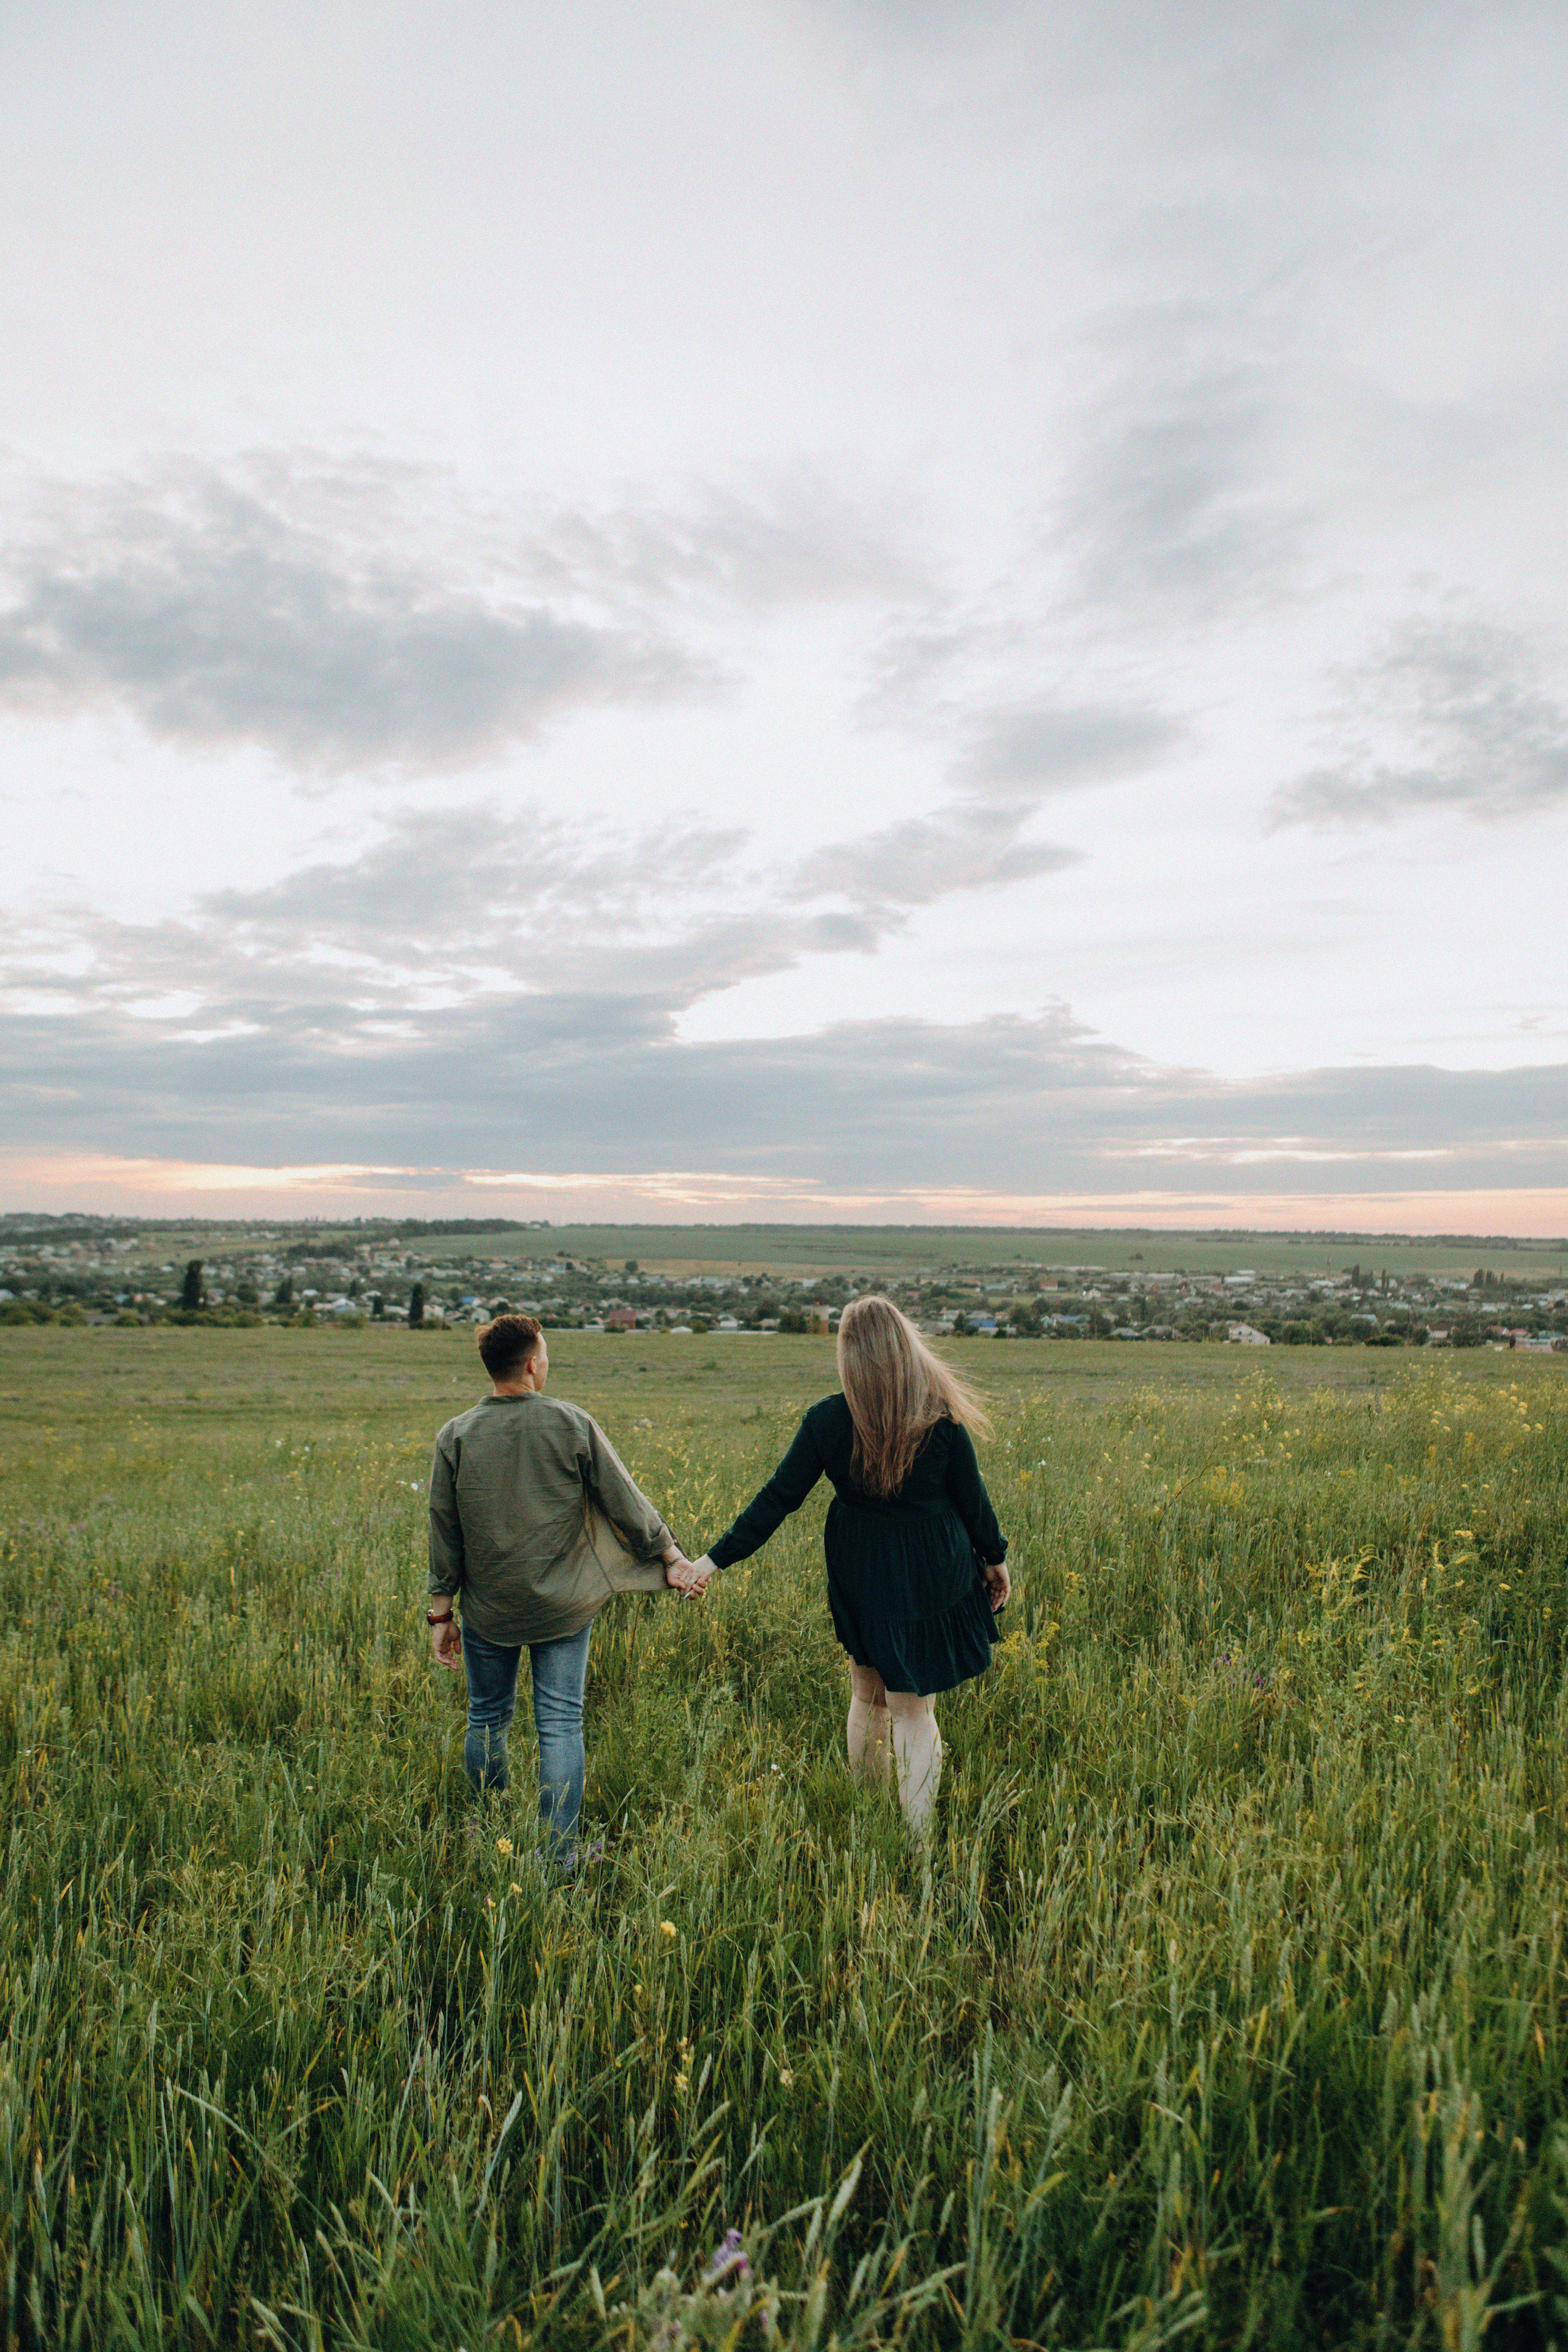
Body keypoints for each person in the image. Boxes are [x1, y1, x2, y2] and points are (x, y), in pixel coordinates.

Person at [674, 1294, 1009, 1833]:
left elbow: (777, 1499)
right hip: (930, 1575)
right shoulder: (940, 1420)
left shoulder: (828, 1420)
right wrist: (995, 1559)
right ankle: (917, 1847)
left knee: (869, 1696)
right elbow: (975, 1503)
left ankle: (871, 1820)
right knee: (913, 1711)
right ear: (905, 1349)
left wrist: (711, 1561)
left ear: (849, 1358)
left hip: (862, 1571)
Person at [426, 1313, 689, 1861]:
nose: (547, 1362)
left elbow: (444, 1530)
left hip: (489, 1610)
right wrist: (672, 1557)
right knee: (561, 1725)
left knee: (486, 1718)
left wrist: (441, 1615)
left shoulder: (456, 1434)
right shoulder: (571, 1423)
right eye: (544, 1354)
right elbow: (626, 1502)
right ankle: (560, 1855)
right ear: (530, 1365)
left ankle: (486, 1835)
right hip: (565, 1608)